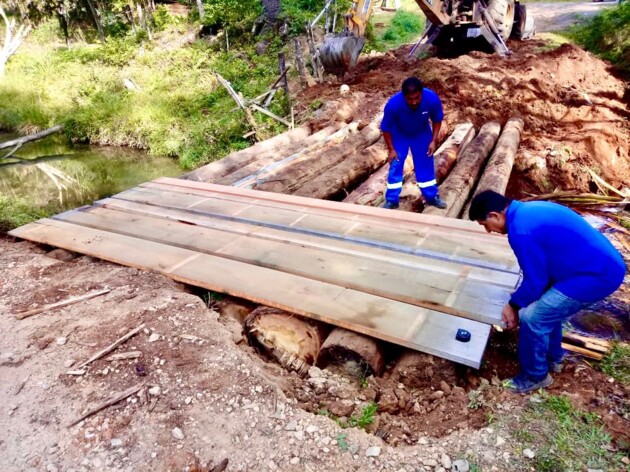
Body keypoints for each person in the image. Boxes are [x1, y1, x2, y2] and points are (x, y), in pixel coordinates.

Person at [469, 190, 626, 394]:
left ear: (494, 215)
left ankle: (534, 376)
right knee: (545, 310)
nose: (489, 231)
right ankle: (553, 359)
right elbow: (539, 277)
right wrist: (520, 300)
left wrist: (513, 305)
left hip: (595, 275)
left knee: (533, 318)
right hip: (597, 265)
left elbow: (536, 281)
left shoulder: (520, 231)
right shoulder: (531, 210)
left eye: (485, 225)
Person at [380, 77, 447, 210]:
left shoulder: (431, 99)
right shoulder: (393, 104)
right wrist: (391, 149)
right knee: (396, 164)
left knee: (425, 163)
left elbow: (437, 120)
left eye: (417, 97)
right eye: (410, 99)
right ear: (404, 96)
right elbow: (386, 128)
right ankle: (392, 200)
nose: (414, 101)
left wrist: (434, 141)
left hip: (421, 133)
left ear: (421, 93)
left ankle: (431, 197)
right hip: (400, 134)